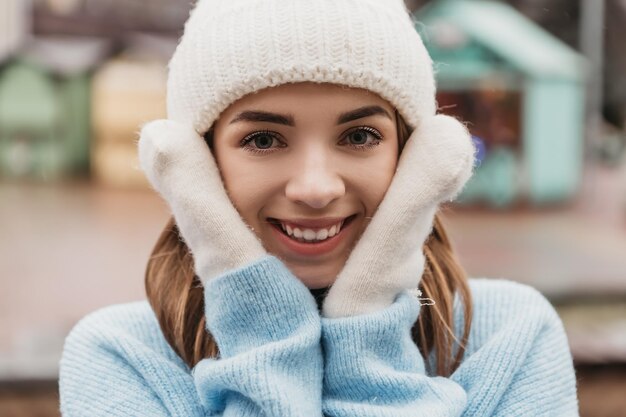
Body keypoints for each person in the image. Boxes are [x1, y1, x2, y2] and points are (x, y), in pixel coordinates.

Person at [59, 0, 579, 415]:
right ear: (198, 161)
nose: (315, 188)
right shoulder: (121, 357)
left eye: (358, 135)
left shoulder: (510, 338)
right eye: (263, 139)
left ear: (414, 155)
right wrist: (260, 318)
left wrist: (368, 326)